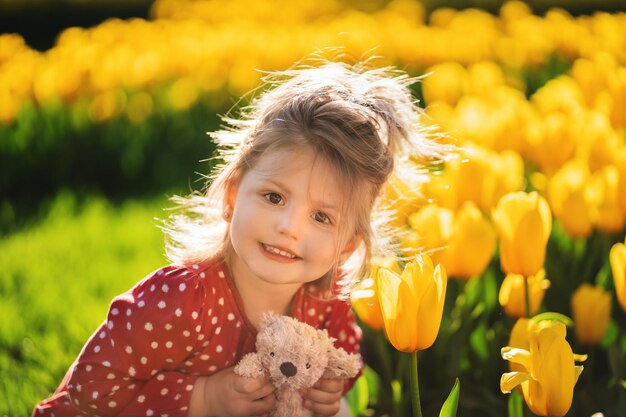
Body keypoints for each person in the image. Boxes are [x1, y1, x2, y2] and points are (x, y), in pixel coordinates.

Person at [33, 58, 445, 417]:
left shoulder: (324, 304)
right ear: (233, 196)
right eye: (273, 197)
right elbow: (91, 389)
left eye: (322, 216)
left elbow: (345, 364)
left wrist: (329, 393)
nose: (290, 227)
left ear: (348, 245)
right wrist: (202, 400)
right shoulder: (180, 301)